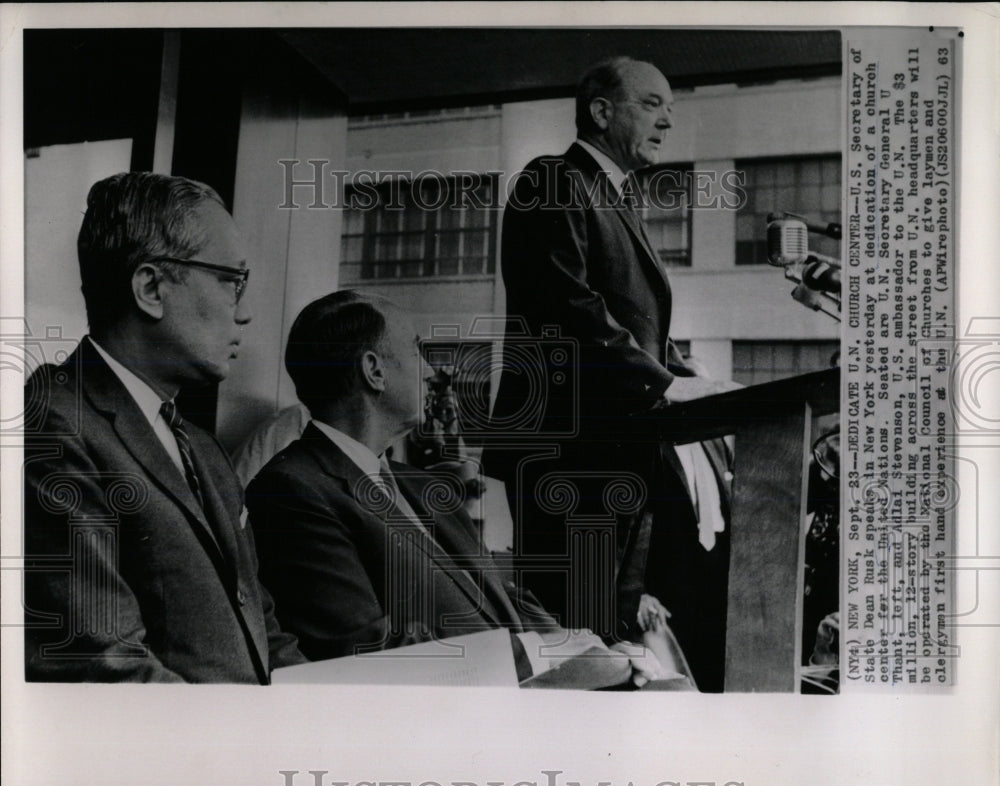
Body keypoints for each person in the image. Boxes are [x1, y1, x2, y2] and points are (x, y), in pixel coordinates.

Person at [246, 291, 675, 687]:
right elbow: (368, 652)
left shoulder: (422, 485)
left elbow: (500, 595)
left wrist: (577, 642)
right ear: (374, 371)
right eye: (416, 350)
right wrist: (547, 656)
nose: (432, 371)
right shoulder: (291, 491)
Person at [486, 56, 739, 690]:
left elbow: (632, 325)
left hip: (617, 453)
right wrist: (663, 380)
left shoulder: (614, 197)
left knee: (604, 635)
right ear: (601, 111)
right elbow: (567, 307)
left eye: (671, 111)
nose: (666, 122)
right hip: (568, 456)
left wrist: (690, 372)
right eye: (652, 105)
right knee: (573, 643)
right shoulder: (553, 181)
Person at [23, 172, 304, 682]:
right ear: (151, 288)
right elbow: (105, 667)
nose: (245, 313)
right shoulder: (52, 428)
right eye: (231, 281)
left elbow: (263, 632)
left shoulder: (200, 446)